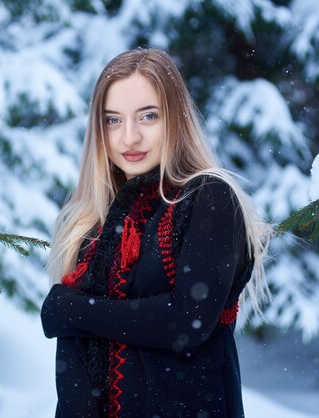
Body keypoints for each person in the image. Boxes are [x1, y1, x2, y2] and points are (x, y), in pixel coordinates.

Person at [41, 48, 272, 418]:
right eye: (113, 120)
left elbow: (188, 319)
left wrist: (73, 310)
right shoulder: (93, 222)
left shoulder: (208, 197)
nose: (129, 137)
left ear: (176, 118)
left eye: (148, 116)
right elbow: (77, 359)